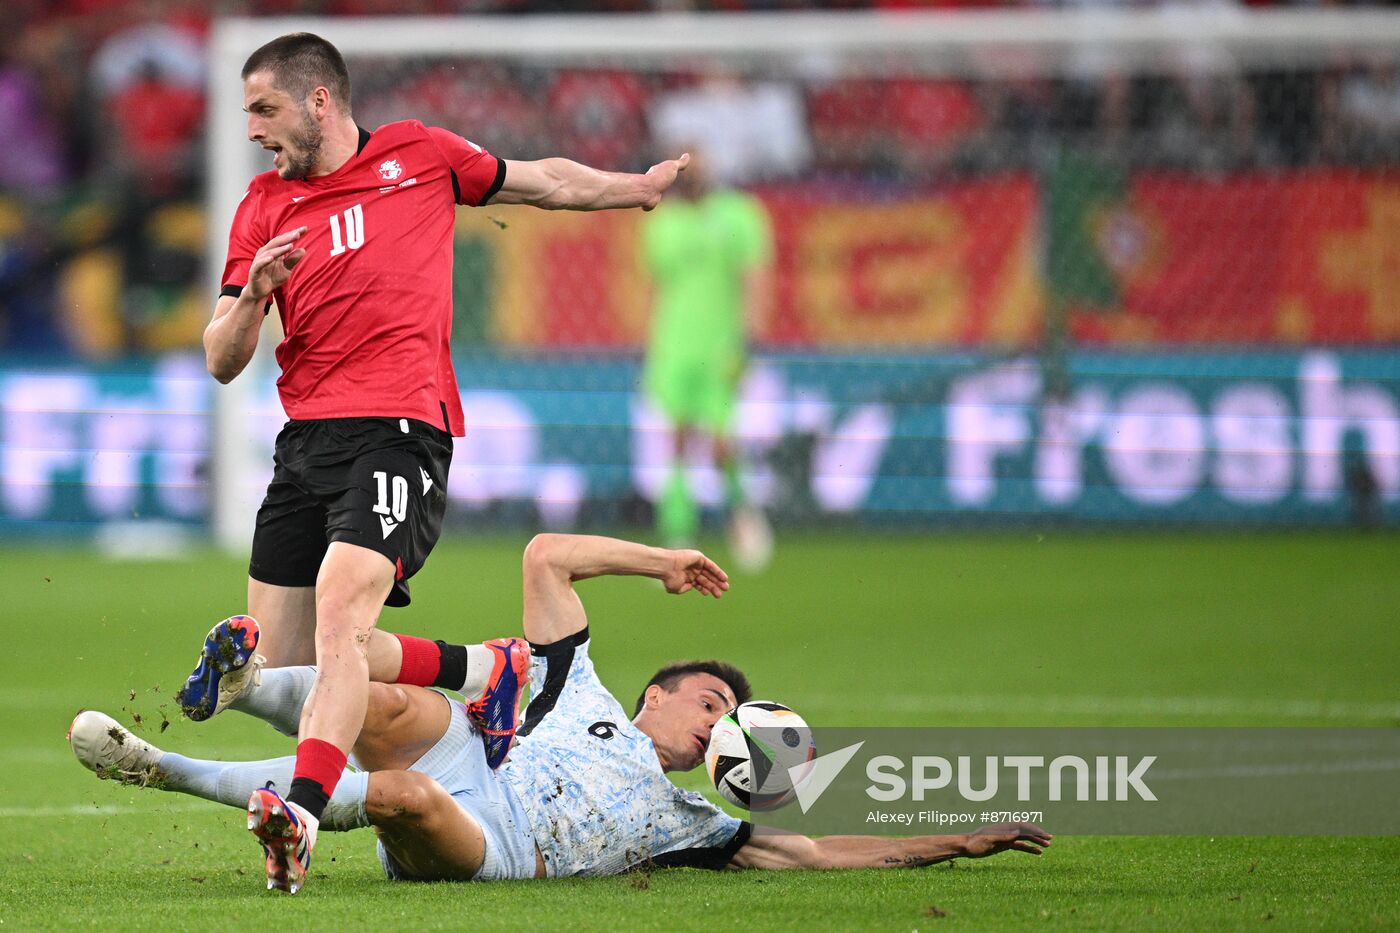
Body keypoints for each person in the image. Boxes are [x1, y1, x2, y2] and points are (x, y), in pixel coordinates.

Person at [197, 32, 694, 892]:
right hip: (305, 442)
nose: (252, 130)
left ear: (321, 102)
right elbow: (220, 355)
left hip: (399, 427)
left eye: (264, 109)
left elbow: (546, 180)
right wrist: (258, 296)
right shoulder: (260, 208)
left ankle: (302, 816)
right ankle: (484, 666)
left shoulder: (420, 155)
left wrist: (636, 191)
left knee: (341, 611)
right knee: (290, 675)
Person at [70, 533, 1051, 890]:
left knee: (403, 792)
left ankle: (158, 768)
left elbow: (829, 852)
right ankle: (245, 690)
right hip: (479, 748)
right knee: (392, 697)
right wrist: (661, 560)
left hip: (491, 837)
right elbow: (546, 554)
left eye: (731, 725)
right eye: (711, 703)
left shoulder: (693, 824)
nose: (717, 726)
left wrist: (964, 841)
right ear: (656, 694)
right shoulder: (570, 680)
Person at [640, 150, 774, 567]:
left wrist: (751, 336)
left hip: (720, 347)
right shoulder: (662, 222)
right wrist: (649, 341)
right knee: (677, 440)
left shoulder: (738, 215)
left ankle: (742, 514)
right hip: (674, 347)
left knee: (721, 442)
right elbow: (656, 287)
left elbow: (755, 278)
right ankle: (677, 533)